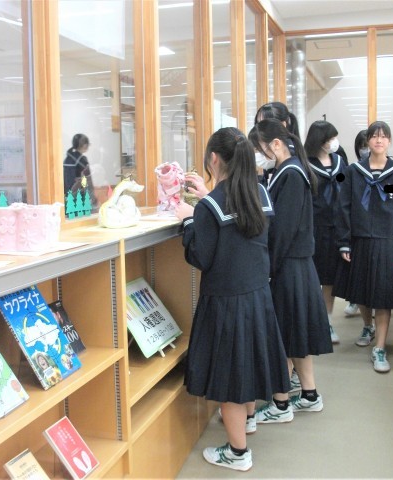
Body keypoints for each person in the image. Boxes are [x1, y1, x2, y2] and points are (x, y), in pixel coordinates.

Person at [174, 127, 290, 472]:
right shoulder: (260, 192)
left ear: (213, 159)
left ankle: (238, 453)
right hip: (257, 295)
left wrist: (188, 222)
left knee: (230, 380)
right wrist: (205, 202)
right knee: (248, 365)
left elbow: (201, 256)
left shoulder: (210, 206)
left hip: (225, 302)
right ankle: (248, 420)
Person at [248, 119, 333, 424]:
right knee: (295, 333)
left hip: (289, 265)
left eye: (260, 149)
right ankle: (309, 395)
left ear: (275, 144)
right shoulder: (290, 170)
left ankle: (281, 404)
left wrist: (268, 267)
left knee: (283, 334)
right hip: (296, 264)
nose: (260, 155)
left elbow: (282, 231)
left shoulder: (291, 175)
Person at [334, 121, 393, 373]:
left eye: (383, 136)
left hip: (386, 241)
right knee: (361, 291)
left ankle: (379, 347)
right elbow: (344, 207)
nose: (379, 140)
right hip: (359, 240)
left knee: (383, 295)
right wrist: (344, 241)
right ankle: (367, 326)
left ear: (389, 141)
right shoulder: (353, 171)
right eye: (374, 136)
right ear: (367, 141)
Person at [304, 120, 347, 345]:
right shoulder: (305, 164)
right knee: (313, 278)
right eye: (330, 138)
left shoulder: (339, 161)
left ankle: (327, 321)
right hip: (314, 227)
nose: (333, 142)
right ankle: (313, 321)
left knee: (329, 278)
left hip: (336, 226)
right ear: (319, 140)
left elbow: (346, 189)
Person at [343, 129, 369, 317]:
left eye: (366, 145)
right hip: (356, 226)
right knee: (356, 270)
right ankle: (355, 301)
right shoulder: (353, 170)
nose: (365, 150)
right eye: (362, 146)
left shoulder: (390, 169)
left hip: (375, 228)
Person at [254, 102, 301, 184]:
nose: (260, 129)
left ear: (282, 125)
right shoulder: (273, 155)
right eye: (259, 124)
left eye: (265, 124)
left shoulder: (289, 164)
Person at [63, 133, 98, 208]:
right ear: (85, 145)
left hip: (66, 196)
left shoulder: (67, 159)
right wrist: (92, 199)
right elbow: (86, 181)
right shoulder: (82, 160)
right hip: (78, 196)